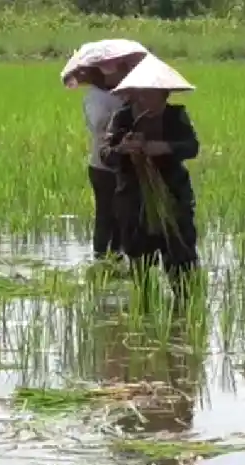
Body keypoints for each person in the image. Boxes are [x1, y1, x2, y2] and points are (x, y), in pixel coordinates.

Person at [98, 54, 200, 309]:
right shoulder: (122, 119)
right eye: (142, 93)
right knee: (140, 262)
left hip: (172, 196)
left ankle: (184, 311)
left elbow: (192, 147)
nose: (147, 99)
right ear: (134, 93)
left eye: (154, 94)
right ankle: (143, 311)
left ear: (165, 94)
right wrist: (124, 149)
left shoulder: (176, 117)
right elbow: (106, 155)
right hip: (134, 201)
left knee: (181, 259)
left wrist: (163, 147)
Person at [61, 39, 149, 261]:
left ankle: (119, 257)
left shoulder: (127, 92)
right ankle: (102, 259)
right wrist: (123, 114)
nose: (119, 74)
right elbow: (99, 126)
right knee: (106, 216)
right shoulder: (96, 97)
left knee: (125, 216)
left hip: (126, 163)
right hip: (103, 164)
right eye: (116, 70)